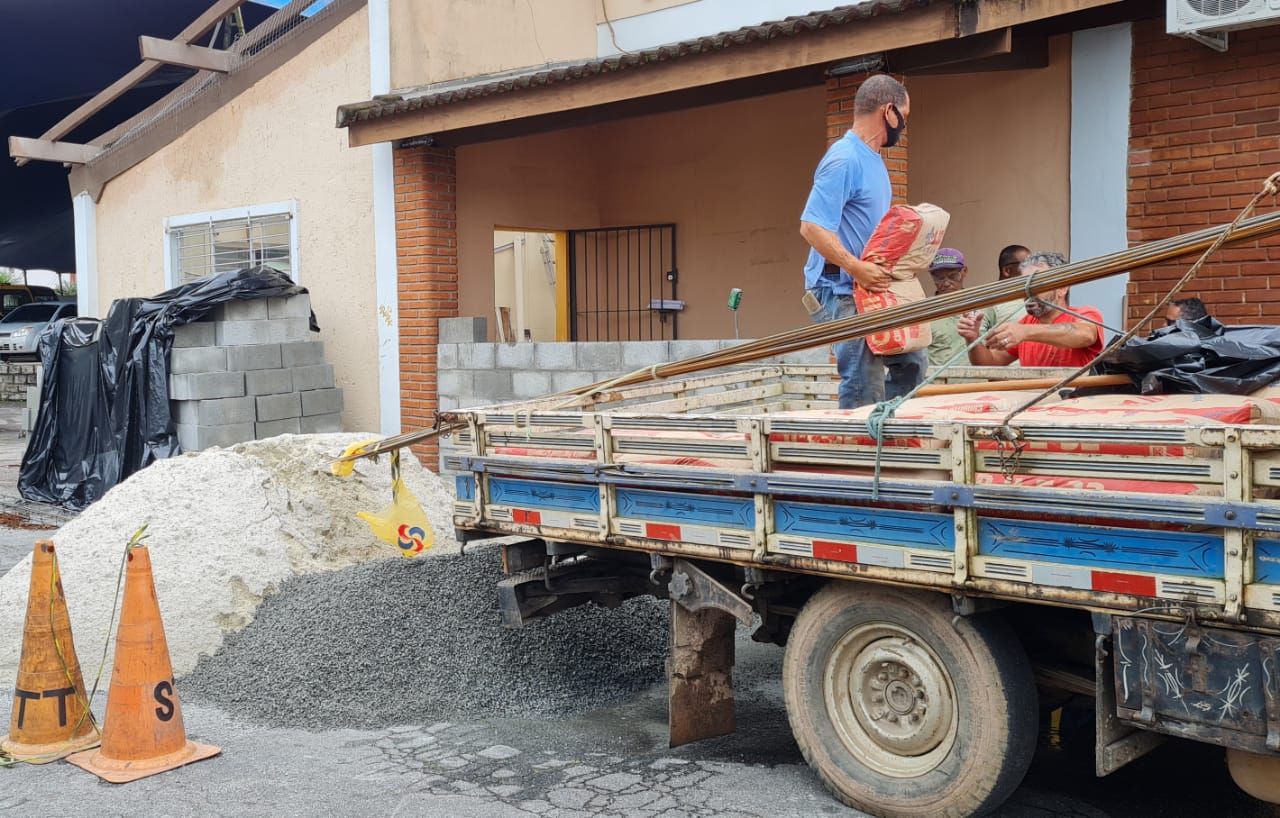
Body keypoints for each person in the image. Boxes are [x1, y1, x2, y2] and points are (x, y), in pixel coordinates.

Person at [799, 74, 926, 408]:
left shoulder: (874, 159)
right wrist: (856, 268)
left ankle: (890, 430)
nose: (904, 127)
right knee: (863, 378)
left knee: (912, 360)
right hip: (838, 290)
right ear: (888, 111)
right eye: (904, 117)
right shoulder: (845, 159)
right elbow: (811, 227)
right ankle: (862, 436)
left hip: (868, 285)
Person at [958, 251, 1104, 368]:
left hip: (1072, 397)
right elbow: (989, 362)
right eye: (1024, 286)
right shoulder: (1025, 324)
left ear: (1062, 288)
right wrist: (973, 338)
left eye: (1037, 285)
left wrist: (1025, 332)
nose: (1028, 292)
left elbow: (1086, 335)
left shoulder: (1085, 314)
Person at [925, 248, 997, 366]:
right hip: (940, 378)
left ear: (964, 272)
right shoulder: (925, 313)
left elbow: (995, 349)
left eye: (953, 276)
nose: (946, 283)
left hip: (980, 377)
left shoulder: (983, 307)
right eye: (939, 278)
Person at [991, 244, 1030, 327]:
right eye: (1026, 265)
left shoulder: (1033, 298)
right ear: (1007, 270)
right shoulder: (989, 302)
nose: (1032, 269)